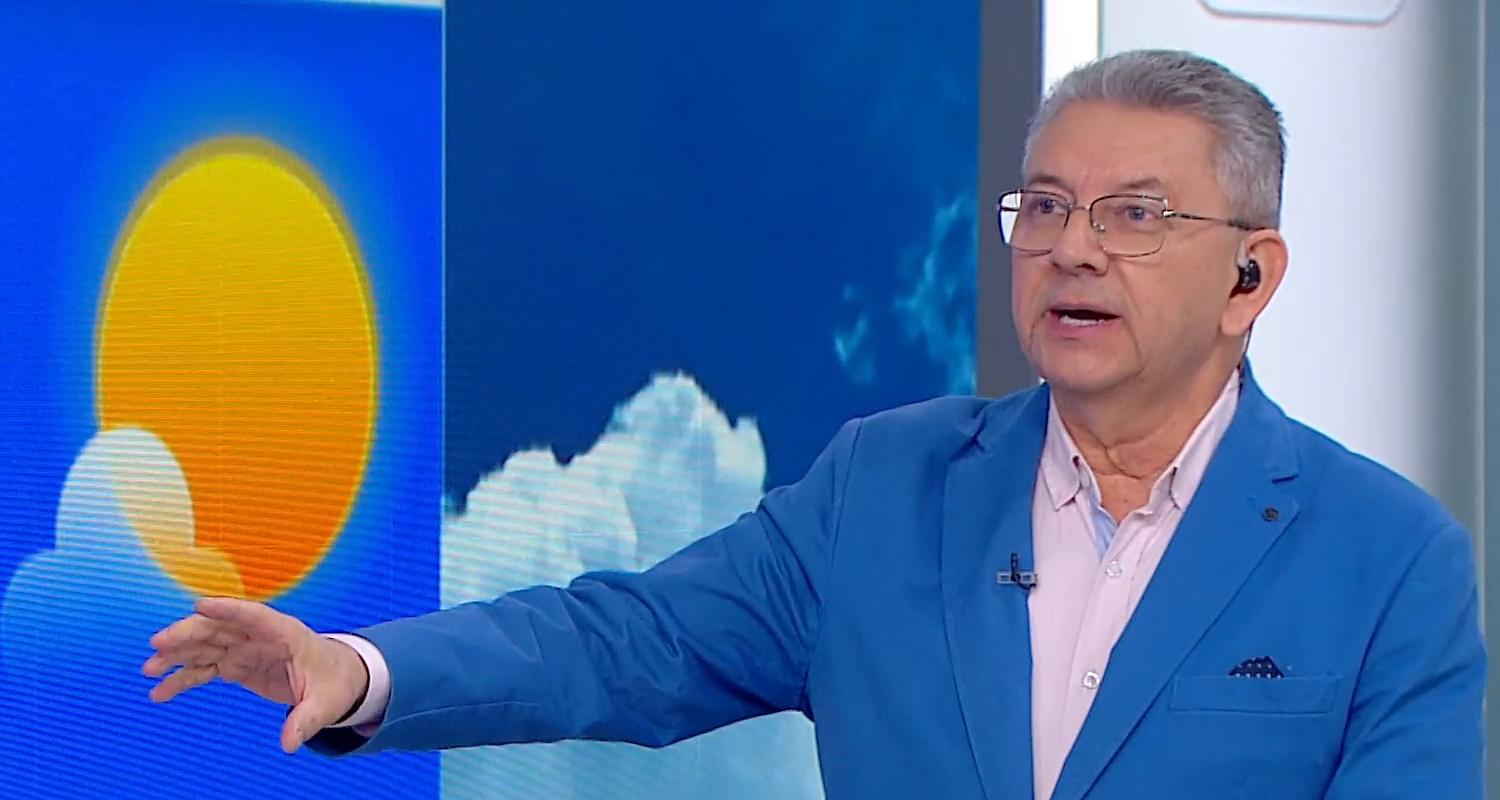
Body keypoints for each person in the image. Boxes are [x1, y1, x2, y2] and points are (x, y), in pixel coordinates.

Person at [143, 49, 1484, 799]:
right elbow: (628, 641)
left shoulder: (1388, 561)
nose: (1073, 249)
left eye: (1135, 215)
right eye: (1045, 206)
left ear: (1250, 276)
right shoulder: (884, 487)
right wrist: (361, 670)